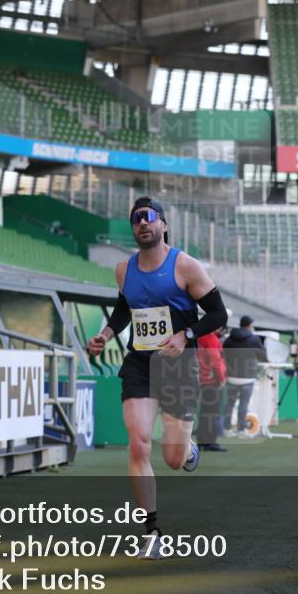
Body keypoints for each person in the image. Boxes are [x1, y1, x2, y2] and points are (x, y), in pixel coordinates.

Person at [86, 197, 227, 559]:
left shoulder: (184, 265)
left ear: (163, 224)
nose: (142, 224)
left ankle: (188, 447)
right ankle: (152, 532)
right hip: (140, 364)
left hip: (178, 366)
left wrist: (186, 336)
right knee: (138, 444)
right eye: (135, 219)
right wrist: (104, 334)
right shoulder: (123, 270)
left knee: (173, 459)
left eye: (148, 218)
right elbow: (123, 310)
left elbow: (217, 314)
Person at [222, 315, 267, 436]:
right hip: (247, 377)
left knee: (229, 404)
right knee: (244, 404)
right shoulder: (254, 339)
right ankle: (241, 430)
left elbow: (223, 355)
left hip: (231, 376)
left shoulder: (229, 339)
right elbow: (263, 356)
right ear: (249, 325)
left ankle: (227, 429)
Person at [196, 329, 227, 452]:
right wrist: (221, 380)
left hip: (200, 380)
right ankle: (209, 442)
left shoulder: (199, 337)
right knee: (212, 413)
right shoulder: (211, 339)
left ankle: (202, 441)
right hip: (211, 382)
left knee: (204, 412)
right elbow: (216, 362)